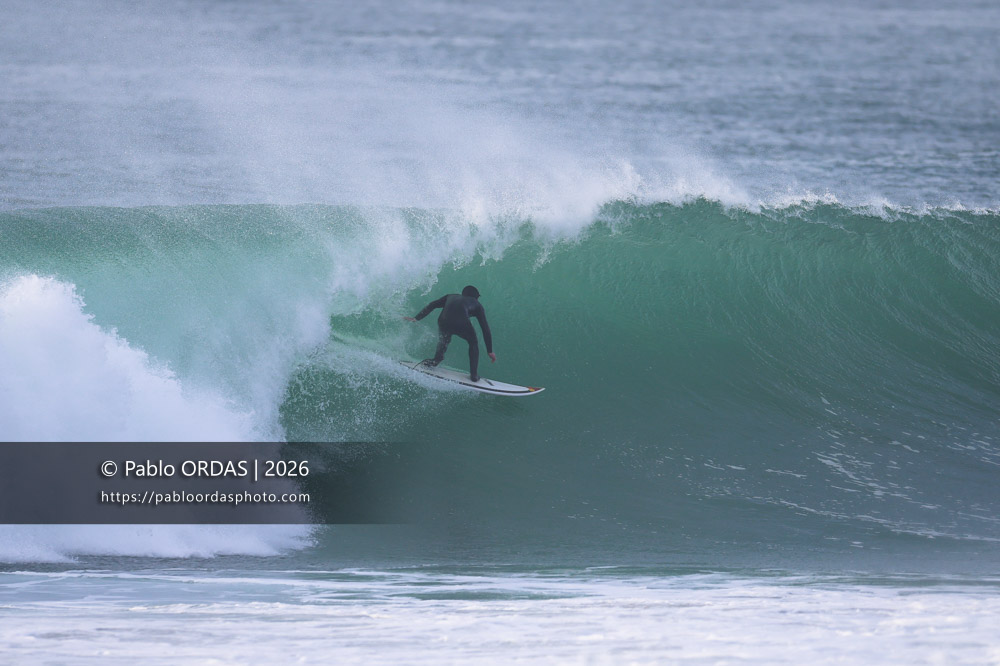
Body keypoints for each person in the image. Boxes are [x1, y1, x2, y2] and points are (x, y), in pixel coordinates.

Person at [404, 285, 496, 382]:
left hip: (443, 321)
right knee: (473, 343)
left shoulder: (450, 296)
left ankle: (435, 360)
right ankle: (474, 375)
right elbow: (485, 328)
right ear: (475, 296)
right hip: (461, 322)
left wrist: (416, 318)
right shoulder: (477, 304)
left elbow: (432, 305)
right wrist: (489, 351)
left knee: (444, 339)